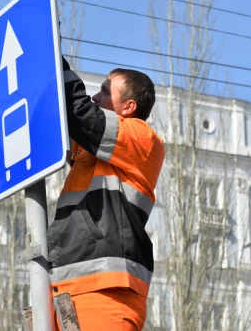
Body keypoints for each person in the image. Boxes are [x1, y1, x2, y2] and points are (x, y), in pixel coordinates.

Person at [47, 57, 165, 330]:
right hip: (66, 288)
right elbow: (64, 119)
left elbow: (81, 114)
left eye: (104, 91)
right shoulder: (91, 151)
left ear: (128, 107)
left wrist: (53, 55)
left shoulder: (143, 139)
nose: (95, 96)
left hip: (108, 293)